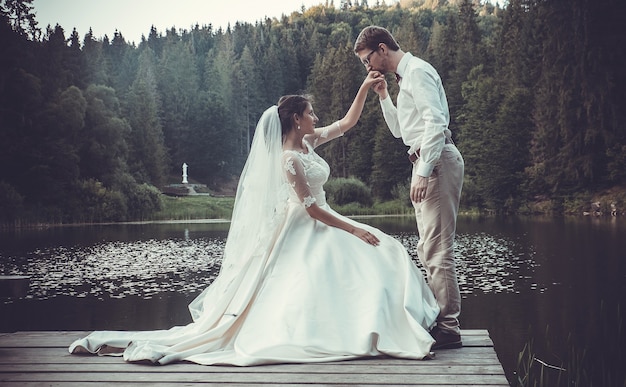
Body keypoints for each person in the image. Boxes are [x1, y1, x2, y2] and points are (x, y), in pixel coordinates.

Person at [68, 72, 441, 366]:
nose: (317, 117)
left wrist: (365, 89)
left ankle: (391, 322)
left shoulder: (308, 144)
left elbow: (345, 124)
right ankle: (351, 330)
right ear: (297, 119)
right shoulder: (288, 159)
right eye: (311, 112)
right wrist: (356, 228)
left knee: (385, 254)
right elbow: (310, 208)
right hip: (309, 223)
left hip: (325, 218)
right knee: (359, 258)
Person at [354, 26, 465, 350]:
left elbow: (436, 122)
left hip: (436, 162)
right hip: (426, 162)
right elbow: (401, 131)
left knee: (437, 250)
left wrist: (424, 171)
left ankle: (448, 328)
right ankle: (441, 321)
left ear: (381, 49)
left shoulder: (418, 72)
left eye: (366, 59)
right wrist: (384, 96)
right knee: (427, 249)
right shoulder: (404, 81)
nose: (367, 66)